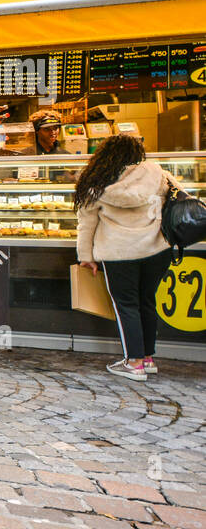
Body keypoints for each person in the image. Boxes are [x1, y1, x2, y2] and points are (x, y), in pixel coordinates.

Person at [75, 134, 180, 382]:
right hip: (157, 250)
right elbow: (180, 197)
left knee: (126, 306)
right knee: (146, 301)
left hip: (119, 252)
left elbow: (86, 224)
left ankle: (133, 363)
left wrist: (86, 256)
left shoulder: (98, 183)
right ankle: (147, 358)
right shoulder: (157, 174)